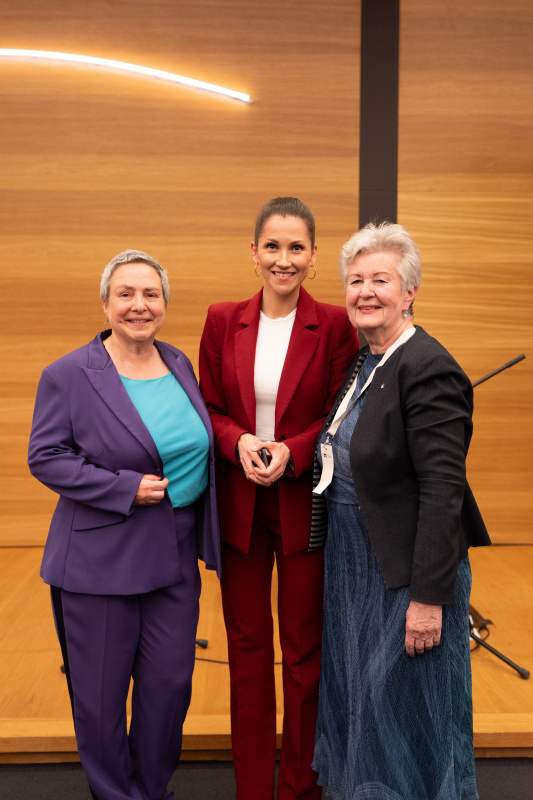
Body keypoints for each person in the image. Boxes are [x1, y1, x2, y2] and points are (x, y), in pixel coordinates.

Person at [28, 249, 221, 800]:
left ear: (165, 302)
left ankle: (151, 790)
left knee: (169, 686)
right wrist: (122, 488)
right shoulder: (68, 374)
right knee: (101, 697)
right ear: (105, 303)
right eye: (126, 294)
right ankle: (116, 794)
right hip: (101, 557)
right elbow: (45, 456)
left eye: (151, 294)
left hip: (174, 549)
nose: (139, 305)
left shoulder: (178, 362)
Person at [311, 222, 491, 800]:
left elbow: (443, 490)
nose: (365, 291)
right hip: (356, 568)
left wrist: (429, 600)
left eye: (380, 280)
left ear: (410, 291)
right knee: (366, 708)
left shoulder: (427, 366)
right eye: (355, 280)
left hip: (406, 576)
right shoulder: (368, 361)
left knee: (408, 719)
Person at [199, 197, 358, 800]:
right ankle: (252, 790)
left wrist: (291, 450)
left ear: (314, 256)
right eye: (272, 246)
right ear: (254, 251)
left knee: (303, 656)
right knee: (246, 654)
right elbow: (208, 407)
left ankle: (299, 790)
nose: (283, 260)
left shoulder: (335, 325)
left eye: (296, 248)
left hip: (302, 504)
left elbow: (340, 411)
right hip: (239, 504)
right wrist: (238, 442)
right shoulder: (222, 319)